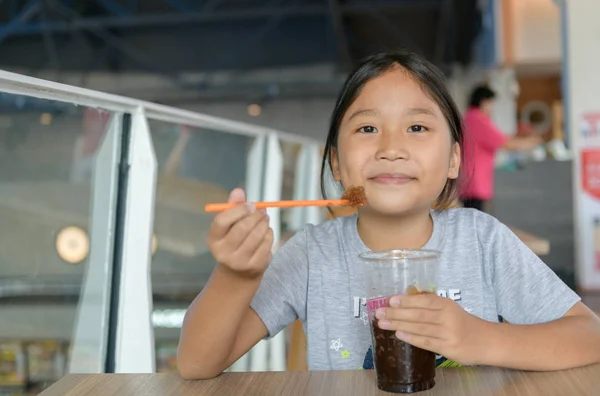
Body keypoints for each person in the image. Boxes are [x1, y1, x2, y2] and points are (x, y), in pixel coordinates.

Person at [177, 51, 600, 379]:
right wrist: (236, 277)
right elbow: (197, 364)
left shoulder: (483, 240)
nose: (391, 147)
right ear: (337, 165)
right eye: (367, 128)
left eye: (417, 128)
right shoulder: (311, 254)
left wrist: (481, 339)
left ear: (454, 159)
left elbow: (589, 336)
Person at [460, 85, 542, 211]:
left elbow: (500, 138)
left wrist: (522, 138)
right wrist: (530, 142)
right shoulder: (477, 120)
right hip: (475, 183)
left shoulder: (468, 118)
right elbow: (504, 143)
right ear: (483, 102)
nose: (491, 107)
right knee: (475, 223)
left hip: (468, 181)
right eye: (490, 103)